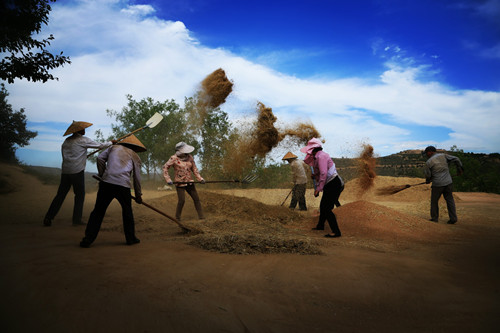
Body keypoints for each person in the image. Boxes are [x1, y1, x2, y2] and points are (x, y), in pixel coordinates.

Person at [43, 121, 114, 227]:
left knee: (60, 195)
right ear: (79, 130)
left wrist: (82, 156)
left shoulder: (66, 141)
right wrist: (111, 142)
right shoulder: (83, 140)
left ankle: (48, 217)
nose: (84, 130)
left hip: (66, 172)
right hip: (77, 171)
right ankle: (76, 220)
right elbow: (100, 146)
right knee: (80, 195)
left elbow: (69, 156)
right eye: (83, 129)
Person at [79, 135, 145, 248]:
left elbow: (100, 158)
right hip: (123, 186)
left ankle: (88, 239)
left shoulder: (113, 148)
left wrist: (102, 175)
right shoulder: (135, 156)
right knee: (127, 212)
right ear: (135, 147)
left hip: (107, 183)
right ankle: (131, 239)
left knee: (98, 212)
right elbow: (137, 178)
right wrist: (138, 195)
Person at [301, 138, 344, 238]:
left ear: (313, 149)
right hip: (330, 184)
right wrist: (315, 174)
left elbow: (324, 173)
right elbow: (321, 171)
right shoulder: (319, 156)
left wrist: (318, 189)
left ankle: (336, 232)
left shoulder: (321, 156)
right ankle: (320, 225)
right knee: (323, 206)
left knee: (327, 209)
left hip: (333, 184)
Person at [163, 142, 205, 221]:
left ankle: (201, 217)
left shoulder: (190, 157)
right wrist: (168, 179)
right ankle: (177, 218)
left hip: (189, 181)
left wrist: (200, 179)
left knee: (196, 199)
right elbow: (165, 168)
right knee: (182, 200)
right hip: (180, 183)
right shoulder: (174, 158)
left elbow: (194, 169)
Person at [423, 146, 463, 224]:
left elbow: (428, 175)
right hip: (448, 182)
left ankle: (434, 218)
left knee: (434, 201)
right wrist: (460, 168)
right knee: (450, 200)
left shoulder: (428, 162)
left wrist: (428, 180)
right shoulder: (443, 155)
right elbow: (456, 159)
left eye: (427, 153)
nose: (426, 155)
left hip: (437, 184)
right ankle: (453, 218)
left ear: (430, 152)